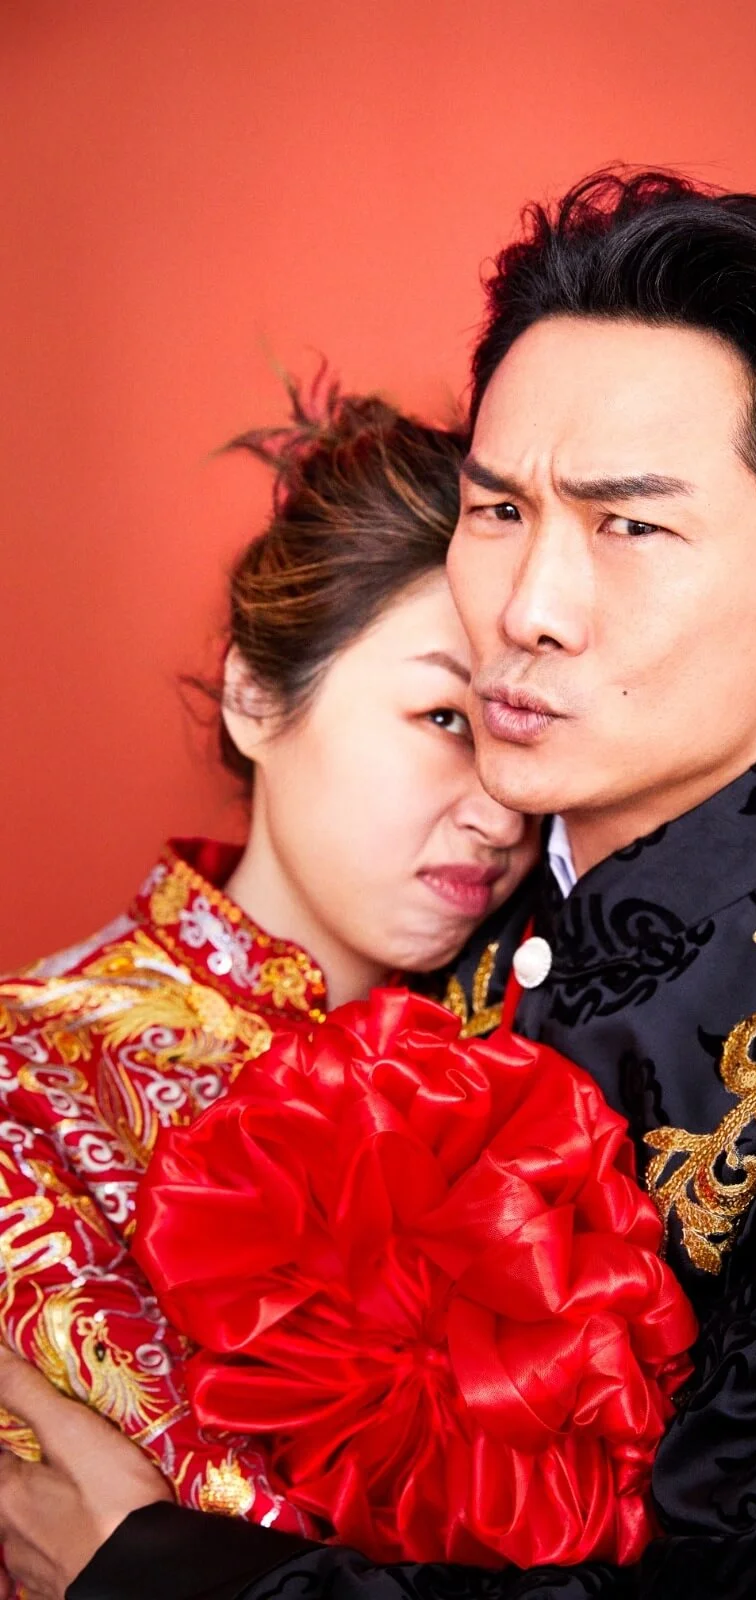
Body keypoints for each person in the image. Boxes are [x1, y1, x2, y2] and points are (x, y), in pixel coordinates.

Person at [2, 167, 756, 1600]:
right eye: (497, 509)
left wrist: (154, 1576)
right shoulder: (442, 898)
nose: (525, 608)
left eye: (631, 527)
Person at [0, 382, 535, 1531]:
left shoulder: (544, 1065)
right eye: (445, 719)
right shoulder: (29, 1084)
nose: (501, 810)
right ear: (253, 693)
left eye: (525, 735)